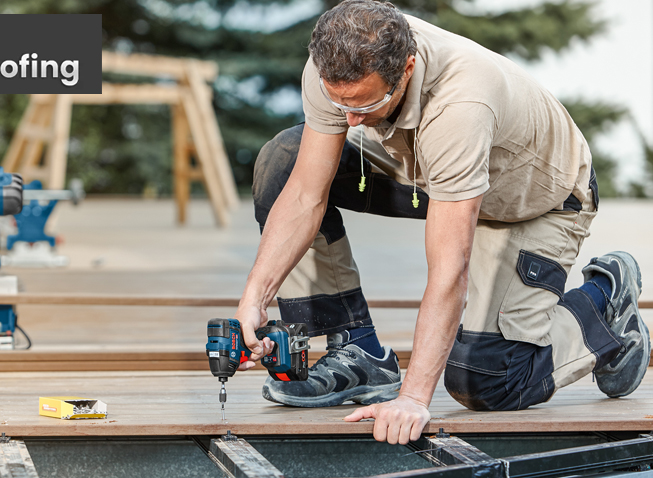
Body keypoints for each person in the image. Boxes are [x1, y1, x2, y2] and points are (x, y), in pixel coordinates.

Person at [233, 0, 648, 445]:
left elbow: (450, 268)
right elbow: (303, 195)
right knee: (285, 160)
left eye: (365, 103)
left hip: (537, 202)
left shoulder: (460, 104)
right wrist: (256, 294)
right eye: (339, 101)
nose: (349, 119)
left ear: (407, 68)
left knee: (485, 378)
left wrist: (413, 397)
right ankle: (356, 351)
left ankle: (605, 306)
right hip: (432, 173)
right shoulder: (335, 62)